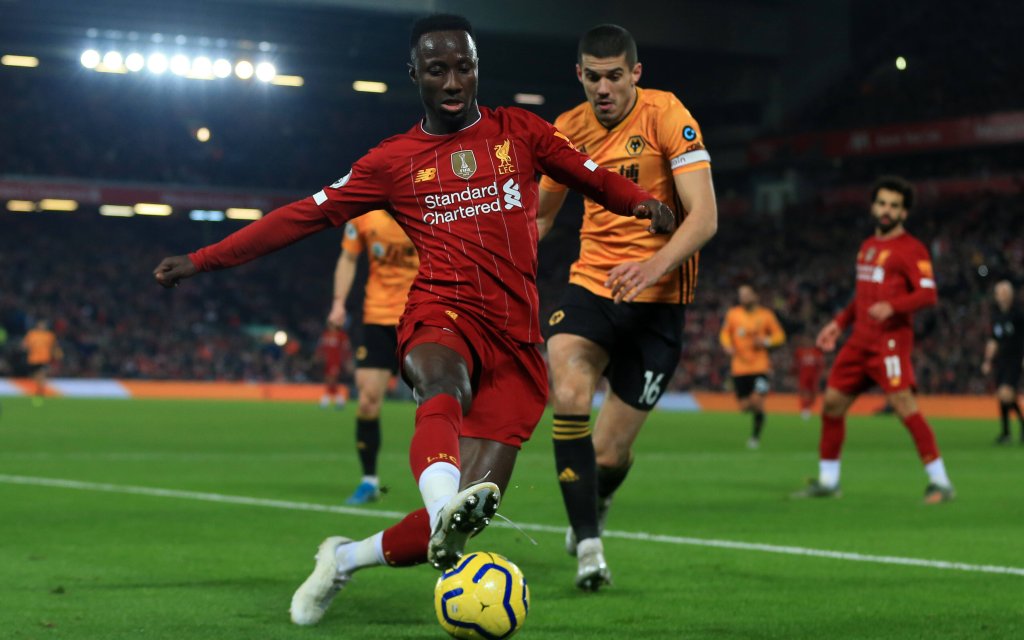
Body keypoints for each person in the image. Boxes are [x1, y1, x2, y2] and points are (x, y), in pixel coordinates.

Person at [153, 14, 676, 625]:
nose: (453, 81)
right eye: (437, 69)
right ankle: (441, 505)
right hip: (441, 311)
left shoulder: (520, 133)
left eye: (464, 67)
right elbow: (298, 217)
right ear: (415, 76)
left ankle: (345, 558)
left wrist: (640, 202)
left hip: (516, 340)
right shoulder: (392, 161)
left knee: (461, 520)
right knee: (440, 383)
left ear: (477, 69)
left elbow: (591, 177)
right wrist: (201, 259)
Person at [535, 24, 717, 590]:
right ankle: (589, 547)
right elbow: (539, 217)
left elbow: (704, 217)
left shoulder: (668, 116)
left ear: (635, 73)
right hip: (591, 286)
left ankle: (598, 498)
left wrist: (651, 267)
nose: (604, 87)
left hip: (659, 301)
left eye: (616, 75)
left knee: (610, 453)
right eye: (594, 77)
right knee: (567, 388)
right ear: (580, 76)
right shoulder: (567, 130)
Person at [793, 176, 954, 504]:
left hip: (890, 343)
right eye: (882, 203)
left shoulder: (911, 249)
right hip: (858, 342)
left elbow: (928, 293)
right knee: (833, 405)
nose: (886, 210)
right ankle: (828, 481)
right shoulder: (867, 247)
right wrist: (838, 324)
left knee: (904, 406)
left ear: (904, 213)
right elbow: (861, 298)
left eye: (894, 206)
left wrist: (894, 306)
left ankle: (940, 482)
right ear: (873, 206)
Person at [328, 209, 419, 503]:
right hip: (377, 319)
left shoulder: (426, 207)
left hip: (421, 315)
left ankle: (448, 479)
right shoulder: (364, 216)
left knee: (439, 400)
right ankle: (369, 482)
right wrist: (339, 303)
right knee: (367, 401)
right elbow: (348, 257)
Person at [719, 284, 786, 449]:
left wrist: (766, 341)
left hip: (760, 366)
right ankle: (758, 417)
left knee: (757, 401)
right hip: (739, 367)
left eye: (747, 294)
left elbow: (780, 336)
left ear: (755, 296)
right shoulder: (733, 314)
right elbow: (725, 333)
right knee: (744, 407)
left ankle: (755, 437)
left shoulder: (766, 315)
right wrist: (727, 345)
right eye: (741, 294)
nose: (743, 297)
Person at [981, 280, 1024, 444]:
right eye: (998, 293)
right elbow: (993, 340)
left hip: (1015, 359)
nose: (999, 296)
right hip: (1001, 360)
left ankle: (1009, 431)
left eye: (1002, 292)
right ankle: (1006, 433)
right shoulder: (996, 315)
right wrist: (987, 360)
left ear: (1009, 294)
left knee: (1006, 393)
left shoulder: (1018, 314)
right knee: (1003, 395)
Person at [21, 319, 61, 406]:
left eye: (43, 325)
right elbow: (24, 345)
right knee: (35, 377)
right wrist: (25, 348)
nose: (42, 327)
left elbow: (54, 346)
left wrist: (57, 354)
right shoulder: (32, 334)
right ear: (37, 325)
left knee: (41, 375)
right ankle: (39, 390)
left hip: (44, 359)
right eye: (41, 325)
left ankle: (40, 393)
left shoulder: (49, 335)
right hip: (33, 359)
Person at [316, 321, 350, 410]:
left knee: (332, 381)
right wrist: (319, 357)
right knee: (328, 381)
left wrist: (345, 361)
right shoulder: (325, 334)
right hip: (326, 362)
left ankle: (326, 401)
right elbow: (321, 348)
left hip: (336, 362)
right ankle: (339, 401)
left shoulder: (341, 335)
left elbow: (346, 349)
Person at [792, 336, 825, 421]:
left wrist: (820, 374)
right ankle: (804, 409)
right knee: (804, 393)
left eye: (809, 340)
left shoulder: (817, 352)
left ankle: (810, 408)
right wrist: (795, 373)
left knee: (813, 394)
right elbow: (795, 364)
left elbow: (820, 365)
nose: (807, 342)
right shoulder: (799, 351)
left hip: (814, 377)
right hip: (803, 376)